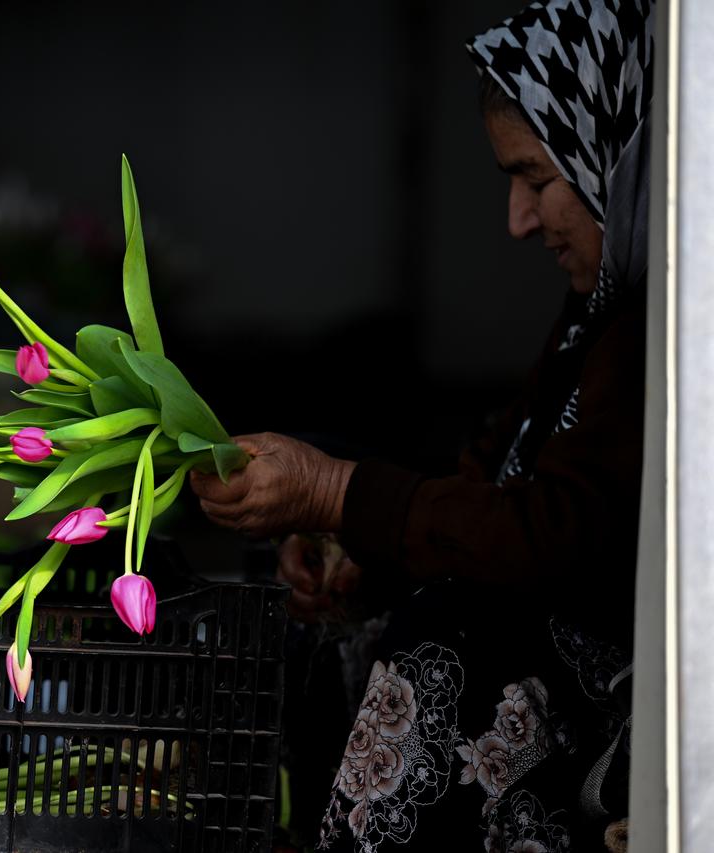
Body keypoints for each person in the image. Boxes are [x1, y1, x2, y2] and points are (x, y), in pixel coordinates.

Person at [190, 0, 653, 849]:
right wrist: (353, 538)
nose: (518, 219)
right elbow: (488, 473)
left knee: (444, 635)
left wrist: (336, 490)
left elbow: (557, 532)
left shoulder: (660, 333)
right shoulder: (591, 321)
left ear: (608, 158)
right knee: (328, 615)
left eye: (537, 179)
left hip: (600, 731)